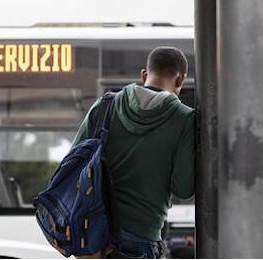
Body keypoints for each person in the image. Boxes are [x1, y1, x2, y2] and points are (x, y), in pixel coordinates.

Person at [71, 46, 195, 259]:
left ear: (144, 75)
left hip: (94, 237)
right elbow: (183, 188)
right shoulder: (184, 119)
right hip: (141, 238)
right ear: (180, 81)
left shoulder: (105, 105)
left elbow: (73, 164)